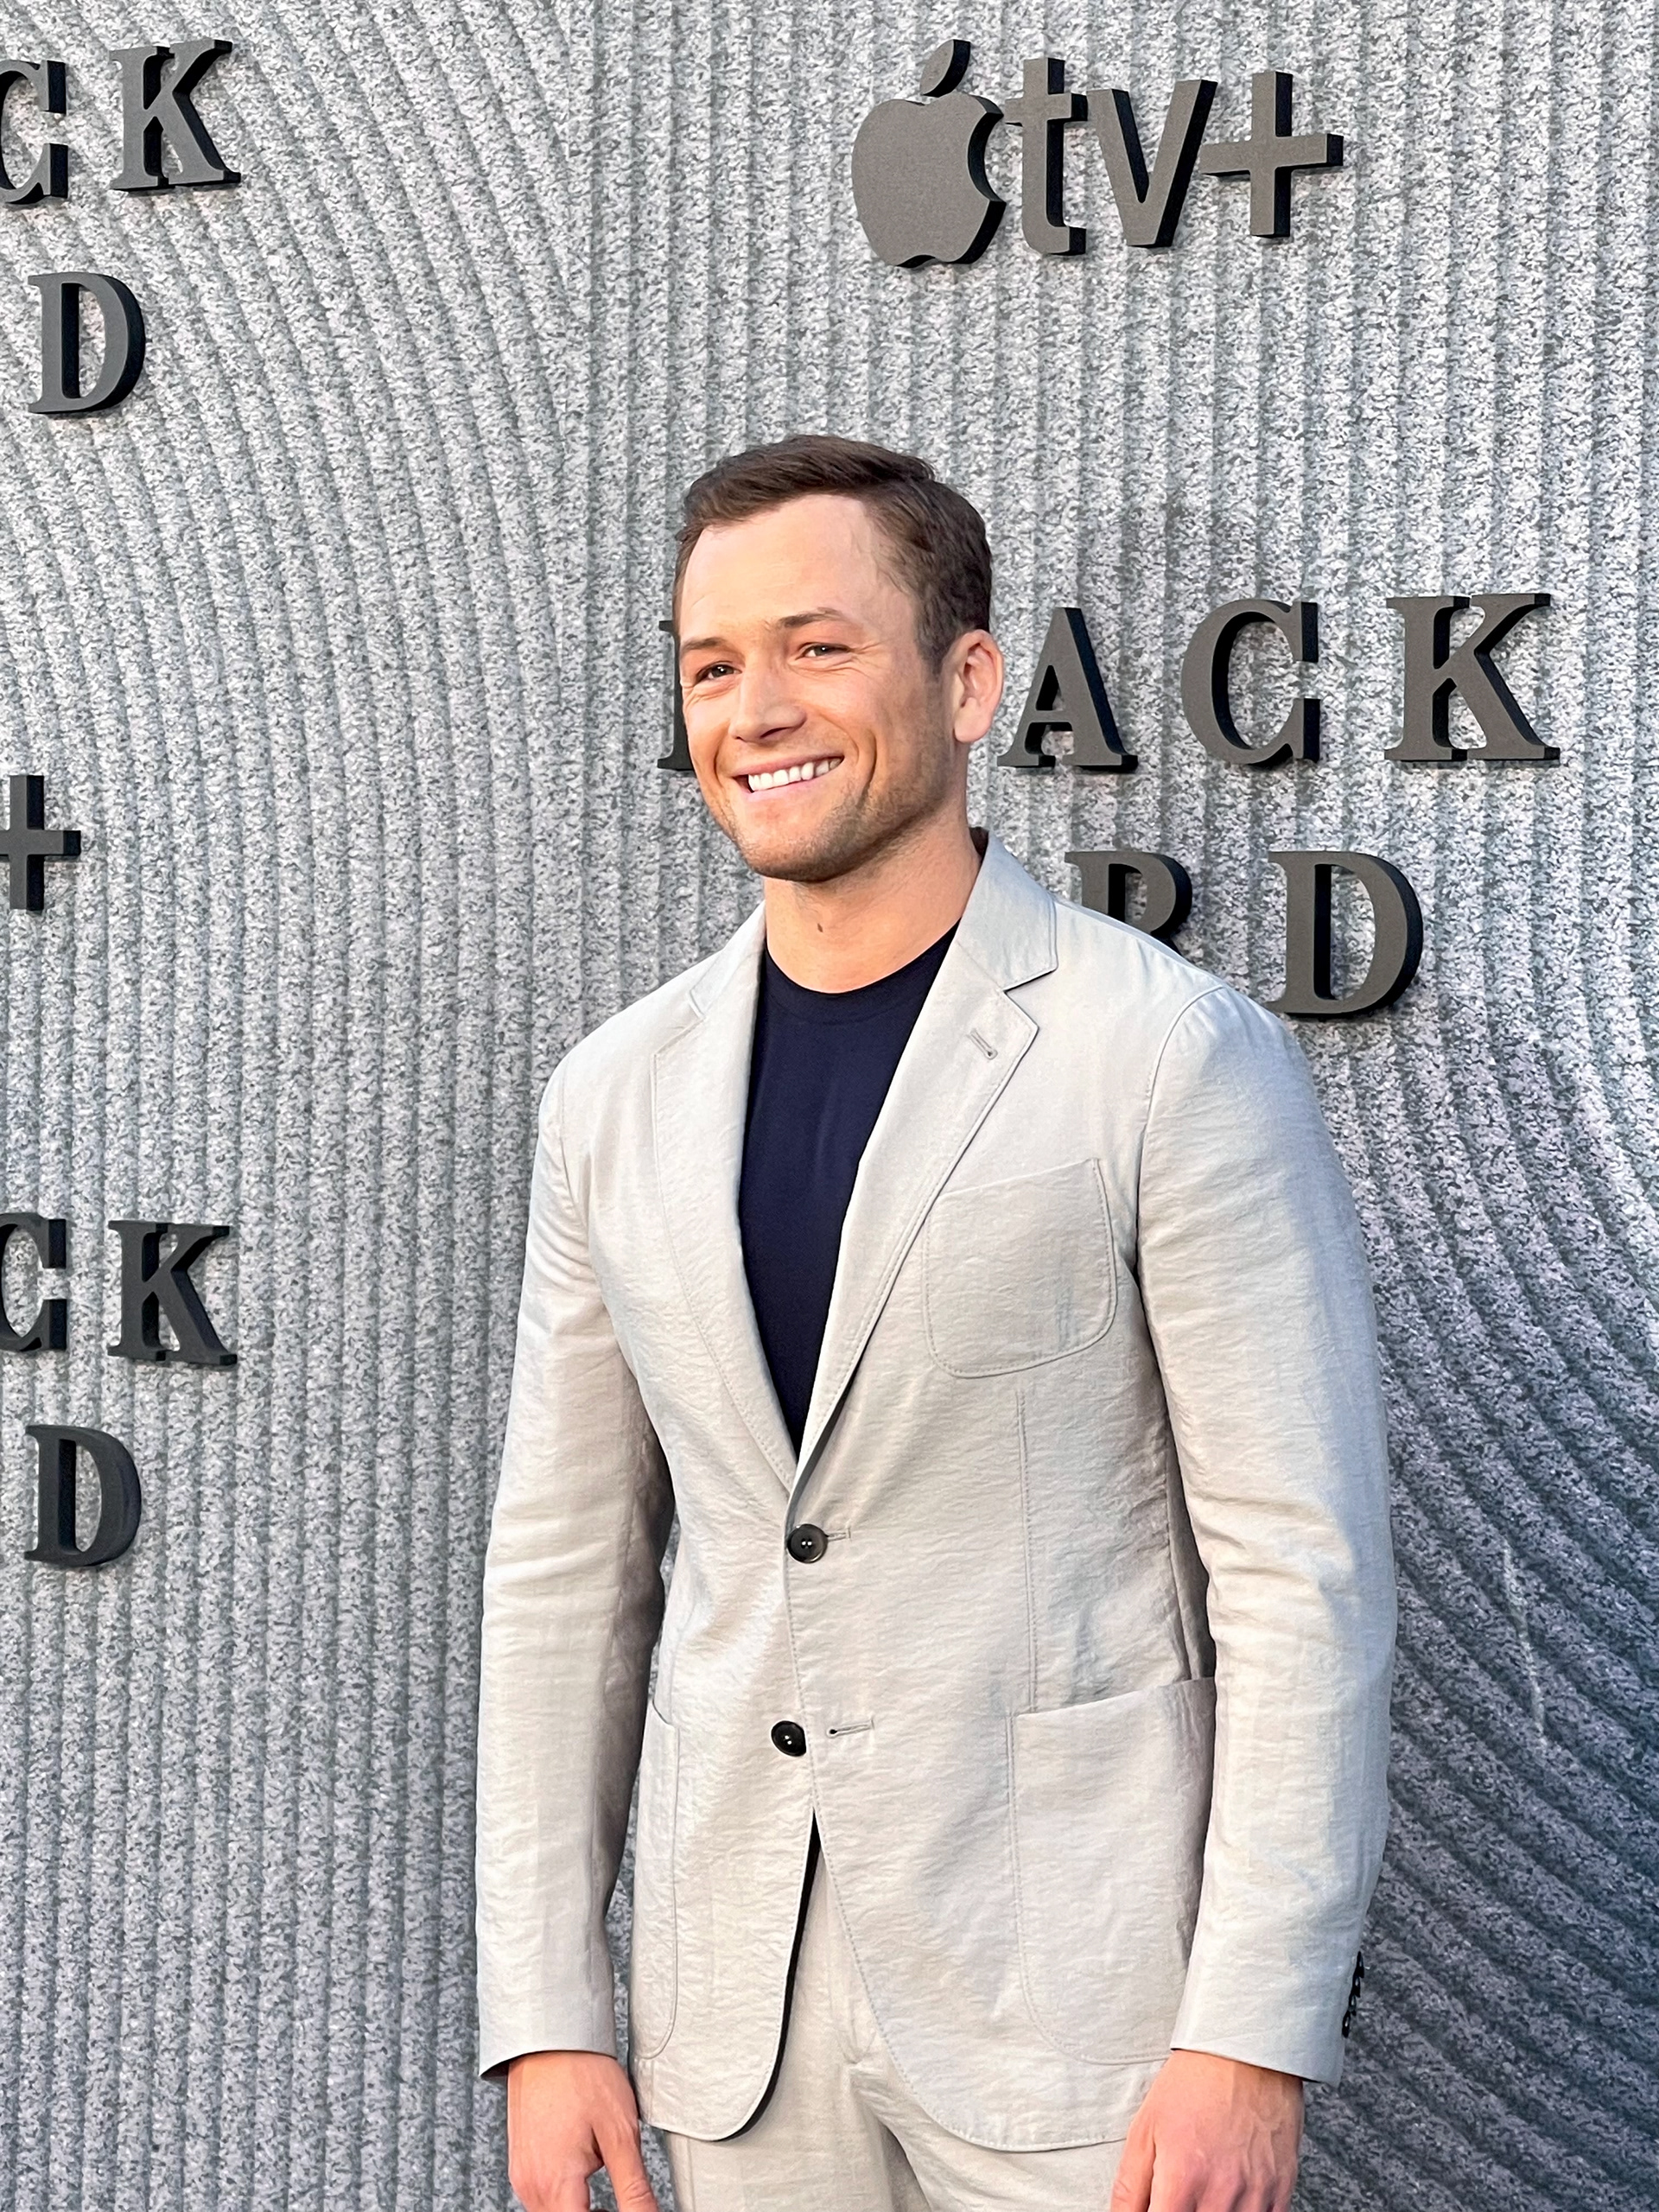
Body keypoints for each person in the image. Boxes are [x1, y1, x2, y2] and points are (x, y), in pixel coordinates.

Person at [475, 435, 1395, 2212]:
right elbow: (566, 1568)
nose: (758, 709)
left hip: (1086, 2024)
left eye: (818, 646)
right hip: (733, 2029)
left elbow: (1300, 1567)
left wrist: (1253, 2033)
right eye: (713, 664)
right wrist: (547, 2010)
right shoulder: (611, 1095)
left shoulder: (1166, 1051)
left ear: (967, 679)